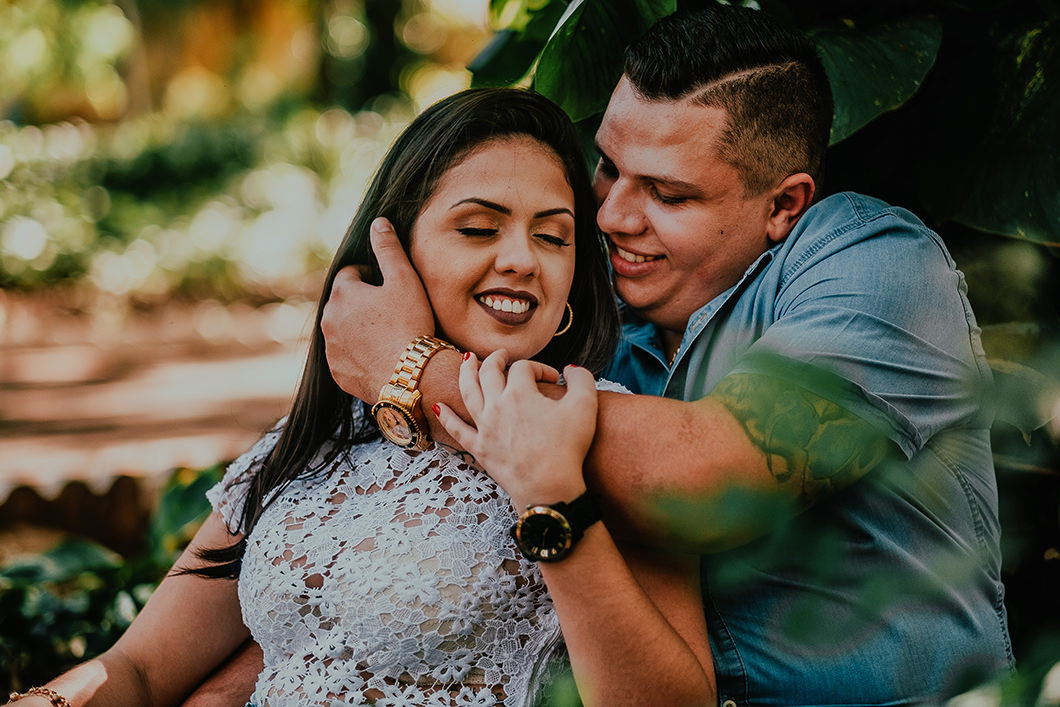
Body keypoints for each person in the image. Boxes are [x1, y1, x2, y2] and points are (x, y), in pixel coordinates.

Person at [320, 5, 1014, 705]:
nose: (611, 215)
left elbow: (707, 484)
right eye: (608, 167)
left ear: (783, 205)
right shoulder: (589, 297)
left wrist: (408, 366)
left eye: (667, 193)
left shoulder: (877, 262)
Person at [6, 88, 715, 707]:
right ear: (393, 253)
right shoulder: (320, 438)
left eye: (553, 237)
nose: (521, 259)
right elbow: (137, 668)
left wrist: (552, 500)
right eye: (478, 228)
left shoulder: (595, 432)